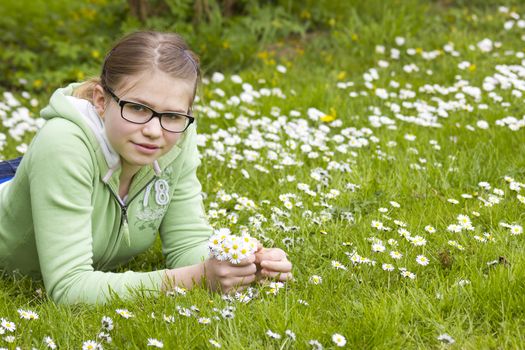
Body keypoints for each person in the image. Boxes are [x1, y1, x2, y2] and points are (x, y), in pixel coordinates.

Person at [0, 31, 292, 304]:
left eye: (174, 115)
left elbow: (187, 243)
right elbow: (69, 287)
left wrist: (240, 262)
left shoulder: (176, 136)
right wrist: (195, 279)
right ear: (101, 101)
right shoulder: (63, 144)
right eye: (138, 108)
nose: (154, 130)